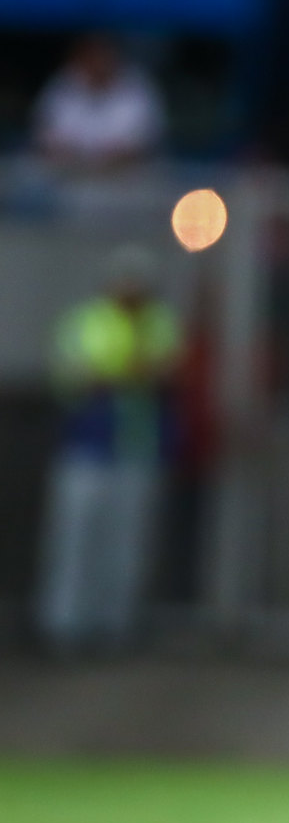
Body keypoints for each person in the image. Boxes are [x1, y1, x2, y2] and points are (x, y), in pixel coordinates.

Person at [38, 246, 181, 652]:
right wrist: (124, 374)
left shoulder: (158, 323)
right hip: (86, 447)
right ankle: (64, 625)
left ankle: (115, 624)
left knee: (127, 544)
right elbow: (74, 378)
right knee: (75, 540)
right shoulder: (85, 321)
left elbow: (164, 372)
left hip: (135, 446)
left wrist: (121, 374)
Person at [33, 34, 164, 170]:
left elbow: (146, 142)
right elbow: (46, 139)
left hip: (126, 177)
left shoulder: (137, 86)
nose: (98, 61)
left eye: (103, 54)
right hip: (68, 175)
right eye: (91, 55)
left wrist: (110, 160)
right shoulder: (62, 85)